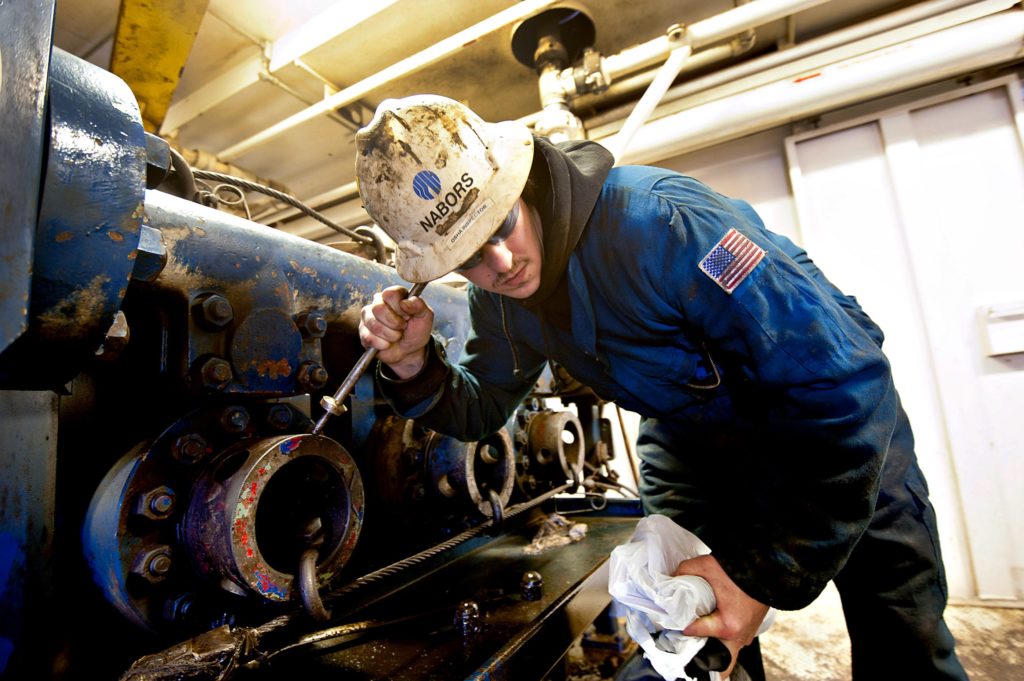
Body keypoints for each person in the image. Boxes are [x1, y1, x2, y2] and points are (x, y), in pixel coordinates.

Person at [354, 94, 967, 680]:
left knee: (900, 627)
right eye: (469, 259)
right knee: (688, 623)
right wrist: (416, 366)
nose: (502, 264)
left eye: (503, 224)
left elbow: (841, 384)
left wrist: (759, 577)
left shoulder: (667, 224)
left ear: (520, 183)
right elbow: (484, 407)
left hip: (831, 433)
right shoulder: (502, 304)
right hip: (692, 444)